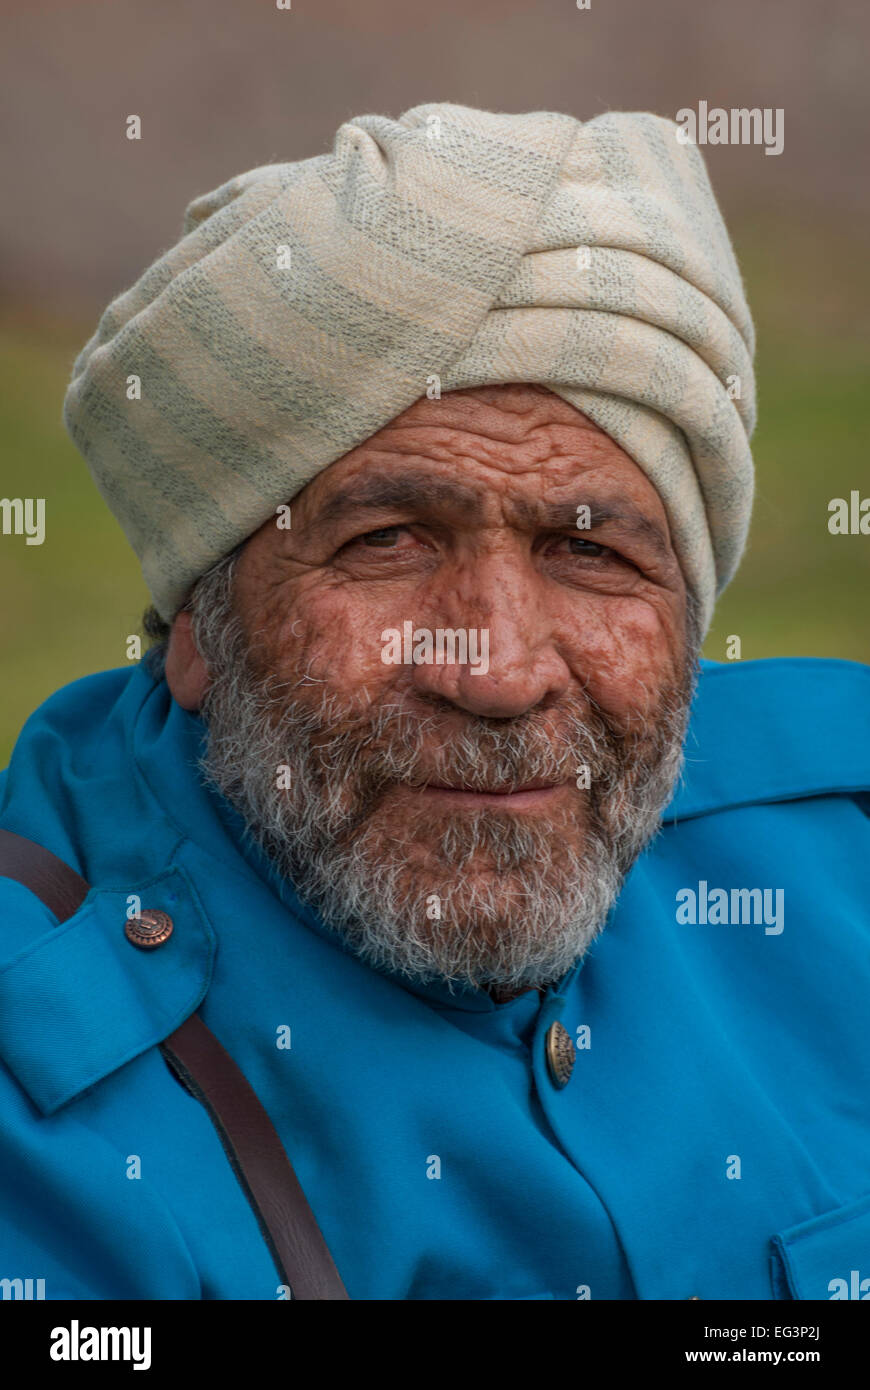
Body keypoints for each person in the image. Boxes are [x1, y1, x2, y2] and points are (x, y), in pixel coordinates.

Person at [1, 102, 868, 1302]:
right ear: (195, 629)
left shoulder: (838, 843)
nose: (501, 672)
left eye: (588, 552)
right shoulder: (39, 1100)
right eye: (390, 540)